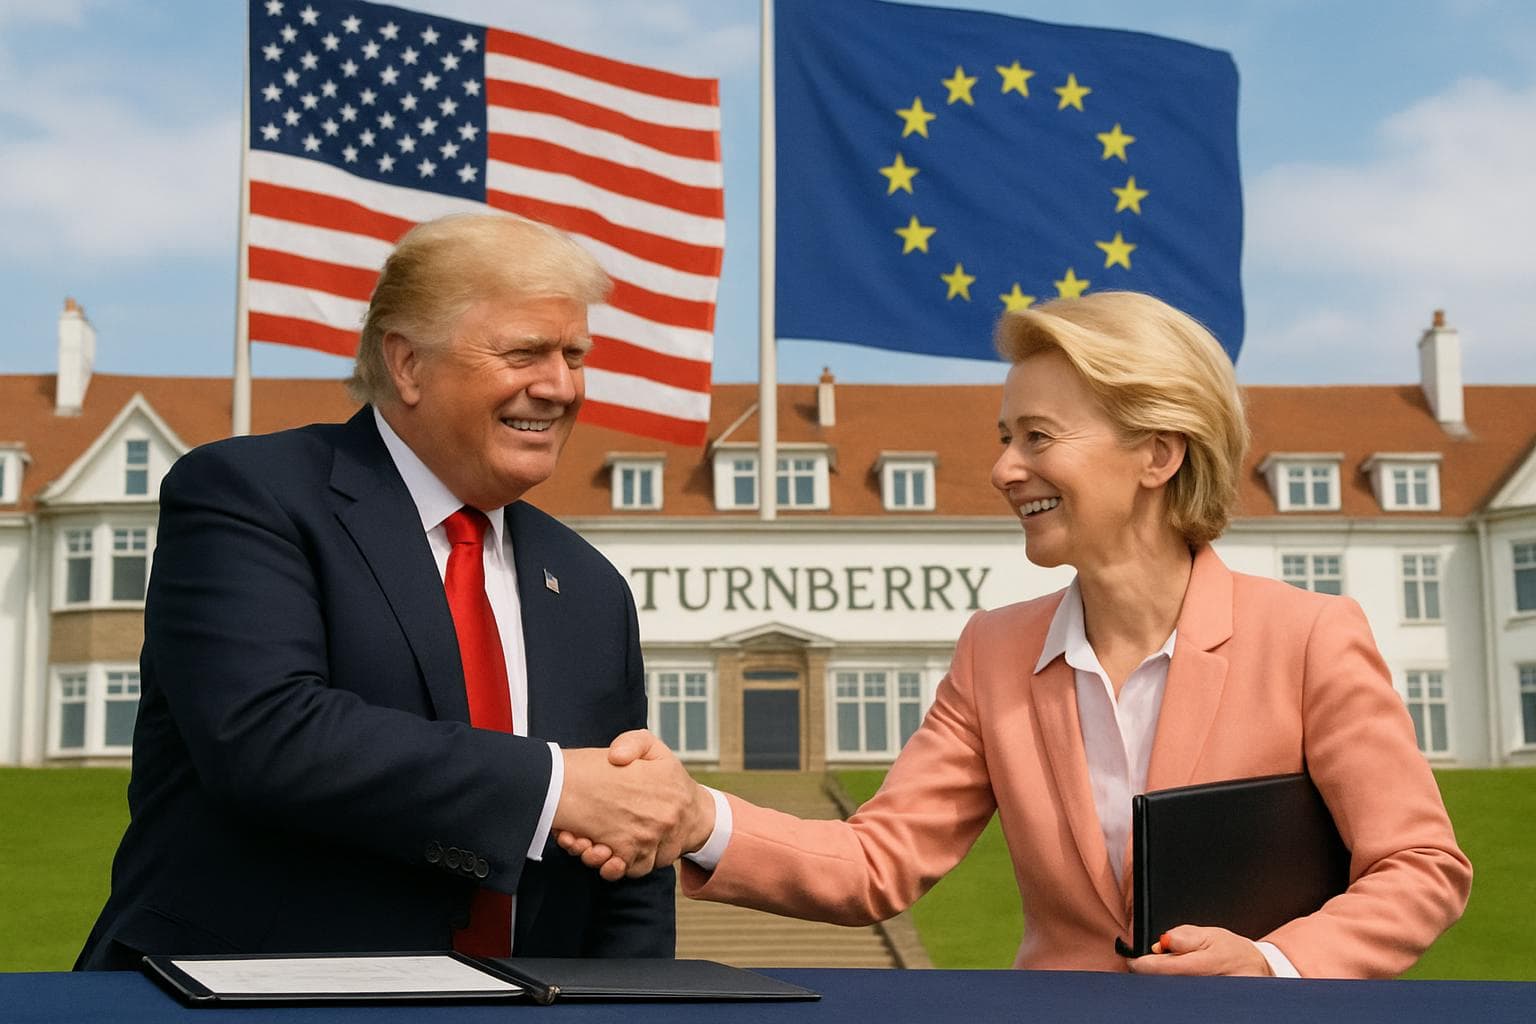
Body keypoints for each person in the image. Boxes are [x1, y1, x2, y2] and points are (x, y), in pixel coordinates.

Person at [561, 291, 1473, 978]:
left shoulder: (1309, 637)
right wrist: (697, 818)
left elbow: (1420, 866)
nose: (1003, 469)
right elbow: (876, 862)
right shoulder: (994, 652)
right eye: (1006, 437)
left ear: (1158, 453)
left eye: (1038, 437)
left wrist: (1273, 965)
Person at [77, 214, 707, 970]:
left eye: (575, 355)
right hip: (250, 1003)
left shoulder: (591, 586)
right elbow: (265, 734)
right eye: (524, 353)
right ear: (407, 364)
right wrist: (551, 788)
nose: (560, 386)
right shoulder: (250, 495)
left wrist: (633, 1005)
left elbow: (631, 846)